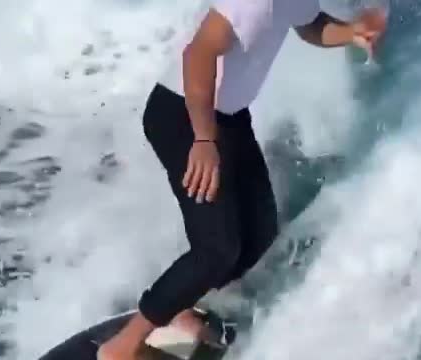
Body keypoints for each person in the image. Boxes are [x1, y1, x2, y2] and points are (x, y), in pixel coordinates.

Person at [98, 0, 386, 359]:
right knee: (217, 249)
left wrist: (351, 32)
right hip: (184, 114)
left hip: (229, 119)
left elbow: (310, 25)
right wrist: (204, 140)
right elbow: (197, 55)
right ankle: (121, 347)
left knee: (259, 232)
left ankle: (178, 307)